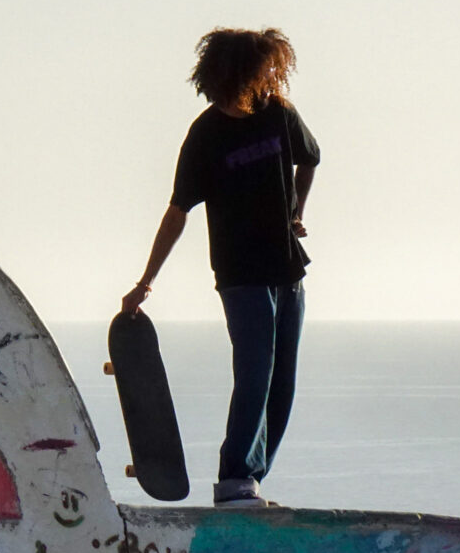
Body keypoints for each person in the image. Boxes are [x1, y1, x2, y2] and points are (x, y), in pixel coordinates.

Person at [121, 27, 320, 507]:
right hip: (240, 274)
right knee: (255, 372)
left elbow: (310, 159)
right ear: (232, 74)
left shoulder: (279, 115)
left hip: (287, 271)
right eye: (261, 69)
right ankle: (234, 481)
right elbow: (177, 211)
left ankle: (251, 479)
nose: (269, 76)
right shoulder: (206, 135)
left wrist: (296, 212)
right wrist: (146, 281)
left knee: (282, 381)